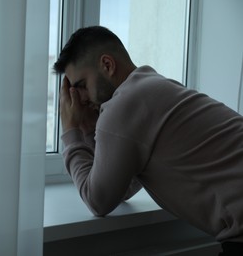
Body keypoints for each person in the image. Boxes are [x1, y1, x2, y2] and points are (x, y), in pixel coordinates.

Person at [54, 26, 243, 256]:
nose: (80, 100)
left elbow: (98, 200)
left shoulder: (123, 106)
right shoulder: (153, 87)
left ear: (107, 65)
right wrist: (87, 129)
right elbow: (119, 187)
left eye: (81, 86)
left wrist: (71, 130)